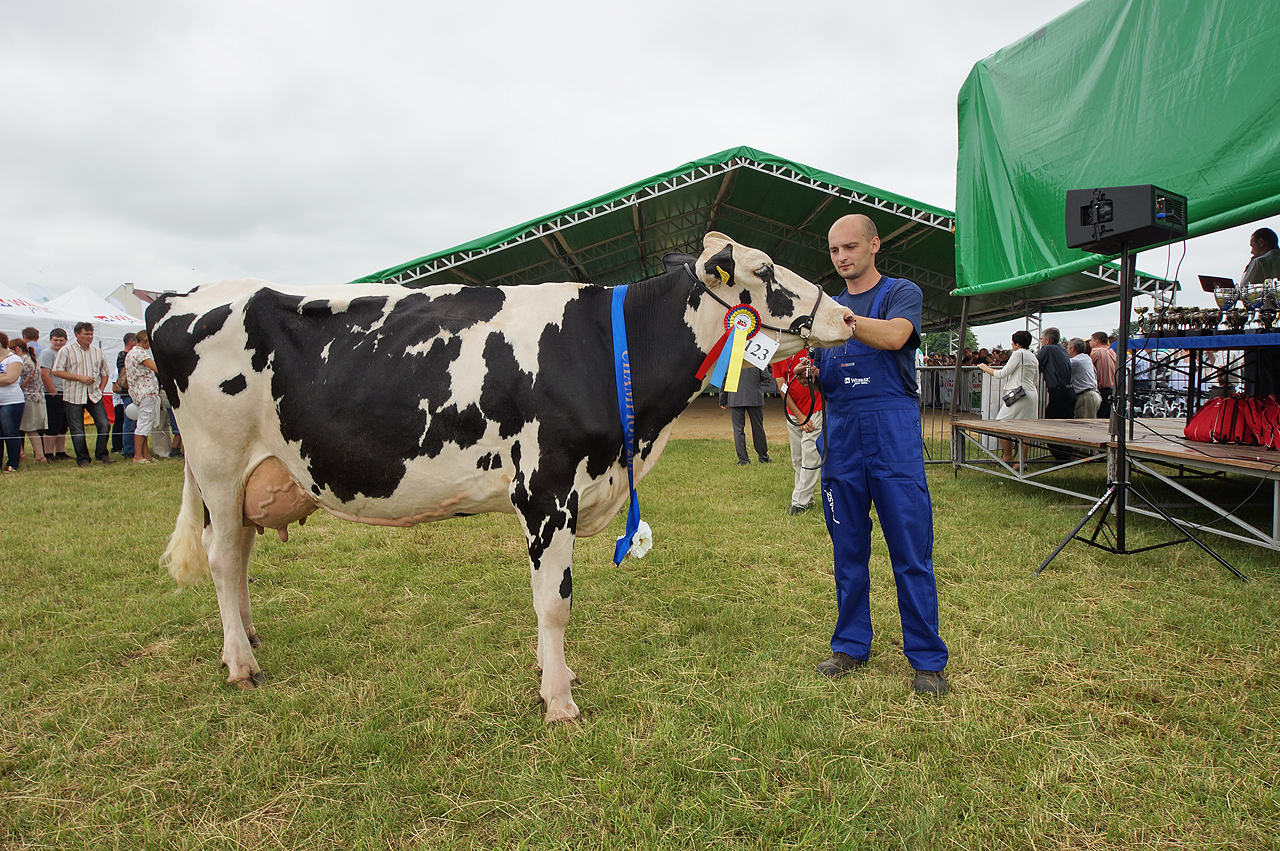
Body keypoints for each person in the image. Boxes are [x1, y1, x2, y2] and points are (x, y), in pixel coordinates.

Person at [806, 213, 948, 697]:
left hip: (892, 438)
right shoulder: (829, 308)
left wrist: (837, 322)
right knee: (848, 552)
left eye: (850, 247)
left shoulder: (900, 293)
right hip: (842, 440)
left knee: (910, 552)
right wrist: (807, 373)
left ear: (873, 246)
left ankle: (926, 659)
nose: (842, 257)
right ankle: (850, 645)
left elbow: (894, 337)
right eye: (834, 251)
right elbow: (826, 378)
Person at [52, 321, 115, 468]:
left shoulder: (97, 351)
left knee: (104, 424)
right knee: (77, 429)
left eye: (91, 334)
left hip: (93, 394)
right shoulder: (66, 350)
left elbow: (105, 373)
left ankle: (102, 454)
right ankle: (83, 458)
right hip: (73, 395)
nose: (89, 337)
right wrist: (80, 377)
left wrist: (100, 388)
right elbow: (56, 371)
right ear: (77, 335)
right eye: (86, 334)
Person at [976, 330, 1039, 471]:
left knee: (1001, 424)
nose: (1011, 345)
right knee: (1024, 430)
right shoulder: (1033, 356)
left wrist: (985, 368)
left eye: (1012, 343)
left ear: (1017, 344)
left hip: (1018, 394)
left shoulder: (1018, 354)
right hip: (1031, 393)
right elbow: (1036, 378)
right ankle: (1021, 461)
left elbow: (1002, 373)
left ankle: (1008, 456)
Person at [772, 348, 823, 514]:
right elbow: (781, 386)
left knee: (810, 455)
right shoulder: (778, 354)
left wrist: (805, 416)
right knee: (797, 458)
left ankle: (800, 502)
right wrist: (800, 416)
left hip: (815, 408)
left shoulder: (810, 348)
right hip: (794, 412)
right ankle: (806, 497)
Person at [719, 364, 772, 465]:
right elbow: (766, 376)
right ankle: (763, 456)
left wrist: (723, 399)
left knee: (738, 429)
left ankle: (743, 459)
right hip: (754, 397)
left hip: (735, 397)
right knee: (758, 428)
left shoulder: (732, 357)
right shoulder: (755, 358)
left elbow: (724, 379)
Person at [125, 330, 161, 464]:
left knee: (145, 423)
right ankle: (138, 455)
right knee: (144, 423)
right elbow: (156, 368)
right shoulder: (140, 353)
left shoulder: (131, 353)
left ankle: (145, 454)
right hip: (146, 391)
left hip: (138, 391)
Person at [12, 339, 47, 464]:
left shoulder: (21, 362)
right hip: (35, 399)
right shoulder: (31, 360)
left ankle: (25, 455)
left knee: (21, 429)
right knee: (31, 429)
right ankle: (39, 456)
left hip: (26, 399)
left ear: (16, 349)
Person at [38, 328, 69, 461]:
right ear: (50, 340)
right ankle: (48, 453)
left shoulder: (67, 353)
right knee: (52, 424)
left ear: (66, 341)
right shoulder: (47, 353)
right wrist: (54, 393)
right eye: (55, 340)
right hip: (54, 393)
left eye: (61, 340)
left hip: (66, 392)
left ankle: (60, 452)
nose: (58, 343)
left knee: (63, 424)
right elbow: (45, 375)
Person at [0, 332, 26, 472]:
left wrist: (6, 376)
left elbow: (11, 378)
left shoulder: (14, 358)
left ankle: (12, 464)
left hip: (11, 401)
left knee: (10, 432)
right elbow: (5, 377)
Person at [112, 332, 137, 458]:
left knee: (132, 422)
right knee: (130, 422)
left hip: (130, 392)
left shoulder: (123, 355)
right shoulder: (124, 356)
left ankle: (132, 447)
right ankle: (128, 450)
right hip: (127, 392)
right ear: (132, 342)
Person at [1068, 338, 1101, 419]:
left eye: (1068, 347)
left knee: (1083, 425)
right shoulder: (1087, 358)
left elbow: (1062, 366)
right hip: (1093, 395)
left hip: (1085, 397)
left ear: (1073, 348)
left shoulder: (1075, 361)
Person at [1089, 331, 1117, 419]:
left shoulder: (1096, 352)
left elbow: (1088, 366)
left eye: (1091, 340)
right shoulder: (1111, 351)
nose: (1090, 343)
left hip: (1102, 390)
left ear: (1096, 341)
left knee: (1100, 417)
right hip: (1113, 389)